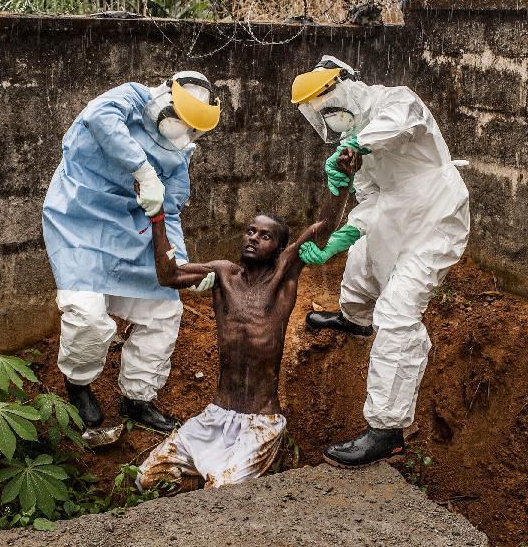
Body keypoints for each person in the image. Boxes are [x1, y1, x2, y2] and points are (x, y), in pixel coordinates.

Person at [134, 148, 362, 490]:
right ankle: (203, 472)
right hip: (216, 415)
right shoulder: (223, 274)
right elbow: (168, 275)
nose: (253, 238)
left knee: (222, 492)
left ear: (280, 248)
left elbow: (324, 227)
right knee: (145, 478)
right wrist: (156, 216)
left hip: (260, 421)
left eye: (264, 235)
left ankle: (234, 470)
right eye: (250, 231)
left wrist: (341, 179)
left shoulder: (283, 276)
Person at [291, 55, 471, 467]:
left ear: (348, 85)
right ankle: (354, 319)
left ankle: (387, 432)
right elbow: (370, 200)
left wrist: (357, 145)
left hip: (436, 218)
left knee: (397, 314)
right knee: (361, 262)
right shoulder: (353, 142)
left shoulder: (395, 101)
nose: (330, 117)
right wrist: (339, 240)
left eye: (329, 105)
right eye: (320, 114)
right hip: (392, 214)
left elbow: (400, 124)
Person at [42, 72, 221, 432]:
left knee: (164, 312)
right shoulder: (130, 98)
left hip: (130, 231)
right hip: (79, 219)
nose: (183, 130)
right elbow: (99, 118)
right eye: (181, 119)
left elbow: (170, 211)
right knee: (86, 316)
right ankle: (78, 385)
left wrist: (180, 264)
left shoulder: (179, 152)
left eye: (191, 127)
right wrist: (144, 172)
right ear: (166, 100)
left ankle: (138, 399)